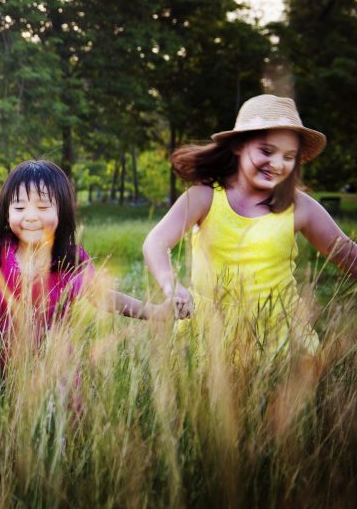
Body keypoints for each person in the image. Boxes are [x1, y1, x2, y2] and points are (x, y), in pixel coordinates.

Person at [143, 94, 357, 359]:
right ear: (239, 145)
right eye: (267, 151)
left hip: (281, 335)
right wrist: (171, 285)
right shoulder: (206, 196)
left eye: (288, 156)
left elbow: (347, 254)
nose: (277, 164)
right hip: (211, 333)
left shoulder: (300, 207)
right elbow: (156, 242)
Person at [0, 160, 173, 362]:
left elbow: (103, 297)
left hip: (56, 373)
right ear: (6, 213)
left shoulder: (71, 259)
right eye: (19, 207)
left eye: (43, 207)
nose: (31, 215)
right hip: (2, 372)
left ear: (61, 210)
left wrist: (154, 312)